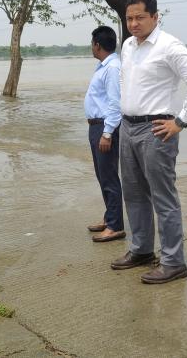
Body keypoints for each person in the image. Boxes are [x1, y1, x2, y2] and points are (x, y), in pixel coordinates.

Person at [110, 0, 187, 284]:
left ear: (155, 17)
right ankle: (141, 250)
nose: (133, 23)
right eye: (129, 18)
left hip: (156, 130)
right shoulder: (128, 46)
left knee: (162, 198)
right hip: (127, 128)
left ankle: (173, 262)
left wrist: (180, 121)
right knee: (133, 193)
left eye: (140, 17)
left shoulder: (169, 46)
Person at [84, 26, 125, 242]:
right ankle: (110, 217)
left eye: (92, 43)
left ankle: (115, 226)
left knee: (109, 176)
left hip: (104, 127)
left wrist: (107, 133)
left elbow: (114, 103)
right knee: (103, 175)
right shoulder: (104, 66)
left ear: (97, 45)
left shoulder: (112, 68)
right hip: (97, 126)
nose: (91, 47)